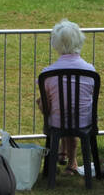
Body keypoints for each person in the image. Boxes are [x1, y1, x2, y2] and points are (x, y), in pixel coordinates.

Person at [37, 18, 98, 176]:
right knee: (72, 106)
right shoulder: (90, 71)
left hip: (57, 123)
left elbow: (47, 107)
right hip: (85, 122)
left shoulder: (47, 74)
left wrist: (40, 103)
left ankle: (59, 155)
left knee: (51, 104)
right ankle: (71, 161)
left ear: (55, 44)